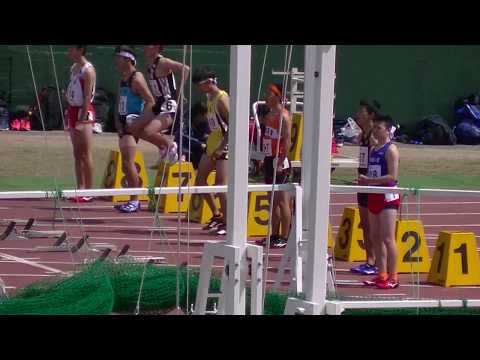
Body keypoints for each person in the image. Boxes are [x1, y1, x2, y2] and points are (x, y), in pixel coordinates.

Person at [126, 45, 190, 164]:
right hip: (158, 103)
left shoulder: (163, 62)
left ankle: (170, 146)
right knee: (133, 127)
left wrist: (180, 92)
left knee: (148, 132)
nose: (144, 48)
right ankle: (162, 147)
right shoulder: (150, 65)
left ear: (156, 47)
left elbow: (185, 69)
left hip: (169, 104)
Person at [359, 115, 401, 290]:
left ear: (387, 130)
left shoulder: (391, 150)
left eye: (378, 128)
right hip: (373, 195)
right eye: (374, 127)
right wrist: (366, 181)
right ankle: (381, 274)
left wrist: (369, 181)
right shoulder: (374, 148)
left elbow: (393, 176)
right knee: (375, 237)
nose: (375, 131)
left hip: (387, 196)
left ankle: (394, 276)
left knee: (388, 238)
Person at [113, 45, 155, 213]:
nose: (115, 61)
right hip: (124, 124)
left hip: (132, 124)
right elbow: (119, 101)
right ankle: (133, 199)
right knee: (125, 164)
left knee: (128, 163)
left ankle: (135, 200)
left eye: (118, 58)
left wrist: (138, 122)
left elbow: (150, 101)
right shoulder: (123, 78)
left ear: (128, 59)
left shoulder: (136, 78)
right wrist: (117, 121)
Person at [192, 66, 230, 236]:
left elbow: (233, 125)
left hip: (225, 143)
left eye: (200, 85)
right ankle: (217, 214)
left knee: (220, 185)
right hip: (212, 142)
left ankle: (229, 223)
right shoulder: (209, 97)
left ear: (208, 82)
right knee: (200, 180)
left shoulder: (221, 99)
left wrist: (222, 148)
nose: (199, 89)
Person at [256, 83, 292, 248]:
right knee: (272, 200)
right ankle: (274, 234)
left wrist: (281, 160)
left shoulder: (283, 116)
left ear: (277, 96)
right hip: (269, 158)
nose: (266, 96)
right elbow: (267, 138)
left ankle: (285, 236)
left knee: (282, 200)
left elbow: (287, 140)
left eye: (269, 93)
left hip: (280, 161)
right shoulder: (269, 114)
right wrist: (264, 158)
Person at [350, 100, 381, 275]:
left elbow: (377, 161)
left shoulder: (374, 137)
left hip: (371, 185)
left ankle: (375, 261)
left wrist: (369, 179)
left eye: (361, 112)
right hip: (363, 183)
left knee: (373, 225)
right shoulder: (362, 135)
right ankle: (369, 260)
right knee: (365, 224)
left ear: (371, 115)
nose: (357, 115)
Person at [65, 45, 96, 203]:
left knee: (85, 152)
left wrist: (82, 118)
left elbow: (87, 97)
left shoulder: (88, 70)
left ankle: (89, 191)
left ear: (80, 49)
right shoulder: (74, 67)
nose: (69, 52)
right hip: (72, 109)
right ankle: (80, 187)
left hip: (83, 111)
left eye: (71, 49)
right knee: (76, 153)